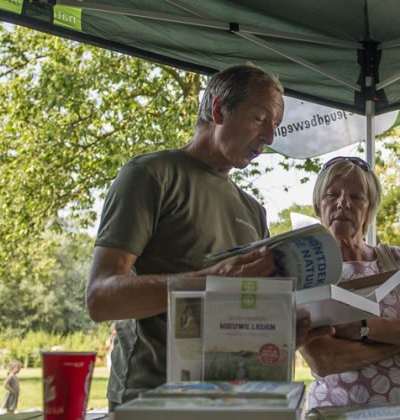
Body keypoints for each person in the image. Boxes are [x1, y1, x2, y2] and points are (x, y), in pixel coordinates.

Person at [86, 64, 331, 408]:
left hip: (232, 402)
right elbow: (100, 298)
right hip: (152, 401)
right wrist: (211, 280)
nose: (270, 138)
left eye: (275, 126)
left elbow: (246, 316)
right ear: (218, 110)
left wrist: (285, 333)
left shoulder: (253, 210)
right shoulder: (150, 175)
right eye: (260, 119)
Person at [300, 156, 400, 408]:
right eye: (331, 195)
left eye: (357, 197)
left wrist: (361, 328)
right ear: (317, 205)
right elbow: (325, 360)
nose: (343, 203)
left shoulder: (393, 259)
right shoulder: (307, 269)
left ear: (370, 208)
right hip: (336, 412)